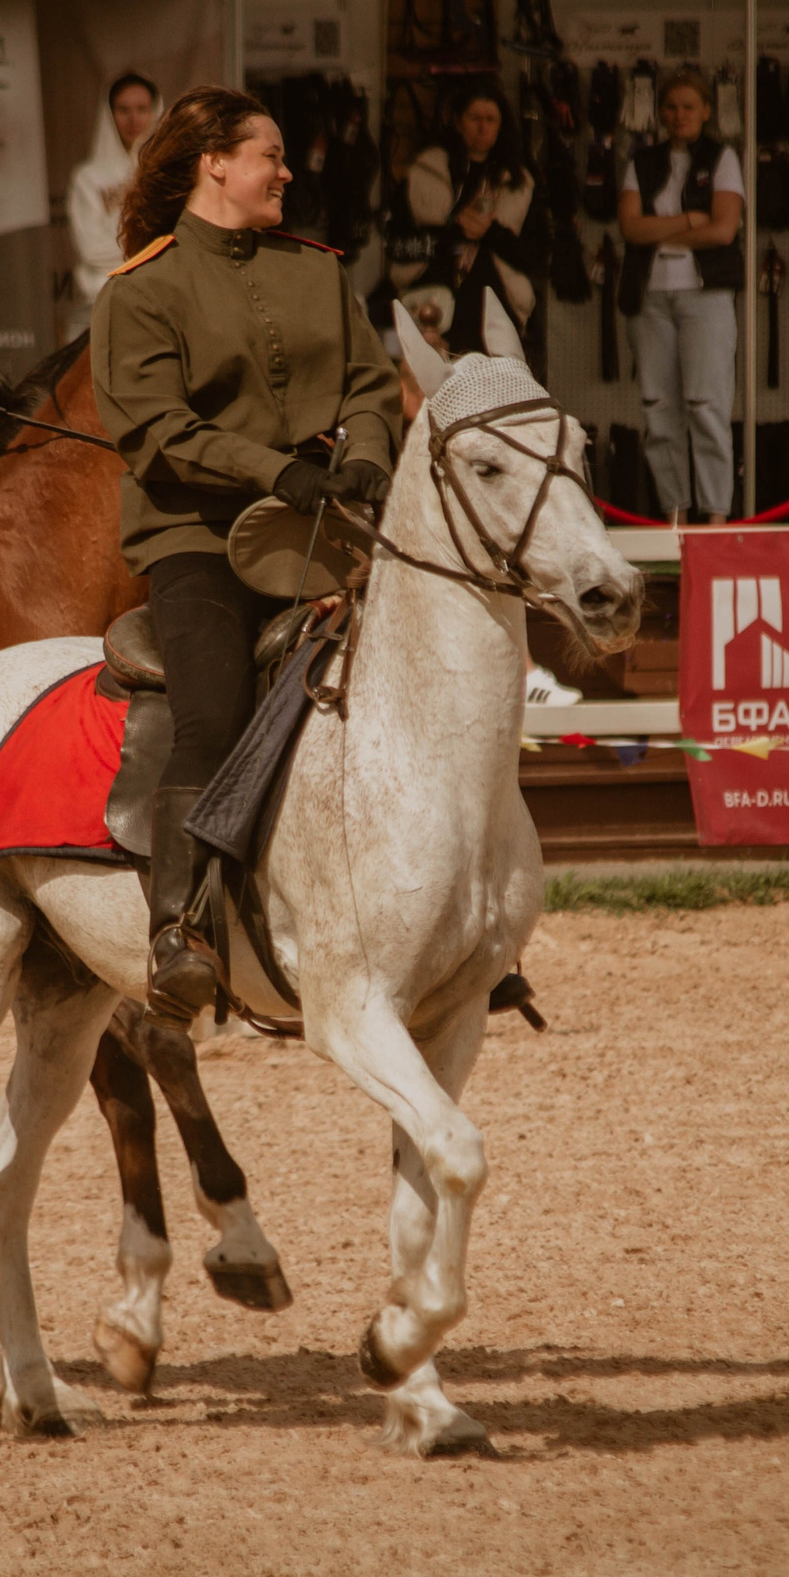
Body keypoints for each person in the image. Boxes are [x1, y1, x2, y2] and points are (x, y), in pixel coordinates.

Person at [91, 84, 402, 1026]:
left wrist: (366, 460)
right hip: (198, 542)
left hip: (329, 531)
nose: (288, 171)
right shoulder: (139, 291)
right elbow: (160, 433)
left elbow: (369, 386)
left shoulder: (316, 269)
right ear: (214, 162)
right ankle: (177, 930)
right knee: (213, 711)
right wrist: (279, 473)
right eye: (272, 153)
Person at [615, 67, 744, 524]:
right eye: (671, 107)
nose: (679, 115)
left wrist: (660, 232)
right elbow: (631, 229)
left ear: (707, 111)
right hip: (649, 299)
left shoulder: (723, 157)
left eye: (689, 106)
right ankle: (674, 514)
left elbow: (725, 230)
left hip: (704, 299)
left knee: (707, 406)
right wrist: (690, 221)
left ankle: (714, 518)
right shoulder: (641, 161)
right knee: (658, 407)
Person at [398, 80, 537, 355]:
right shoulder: (427, 169)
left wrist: (491, 232)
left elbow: (535, 254)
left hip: (498, 305)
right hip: (436, 302)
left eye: (490, 119)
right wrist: (455, 230)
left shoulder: (518, 181)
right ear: (458, 121)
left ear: (501, 126)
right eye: (475, 118)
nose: (482, 127)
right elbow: (399, 241)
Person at [65, 72, 160, 337]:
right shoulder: (88, 177)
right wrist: (152, 251)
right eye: (123, 109)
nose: (133, 119)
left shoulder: (168, 176)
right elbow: (91, 249)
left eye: (142, 109)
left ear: (156, 111)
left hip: (158, 304)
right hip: (100, 304)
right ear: (109, 114)